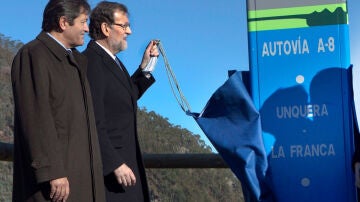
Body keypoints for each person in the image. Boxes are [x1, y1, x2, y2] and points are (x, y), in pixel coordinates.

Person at [11, 0, 106, 201]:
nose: (87, 28)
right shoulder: (34, 55)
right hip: (56, 184)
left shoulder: (75, 62)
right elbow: (35, 117)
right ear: (64, 22)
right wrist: (51, 171)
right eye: (83, 22)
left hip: (81, 180)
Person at [83, 1, 159, 201]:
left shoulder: (113, 62)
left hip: (125, 168)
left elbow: (126, 97)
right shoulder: (91, 63)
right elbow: (92, 121)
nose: (130, 31)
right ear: (106, 28)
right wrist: (114, 163)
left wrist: (146, 67)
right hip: (111, 175)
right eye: (124, 26)